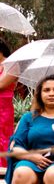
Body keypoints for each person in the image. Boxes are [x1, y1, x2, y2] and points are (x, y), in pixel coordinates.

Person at [0, 40, 18, 168]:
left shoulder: (12, 65)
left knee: (3, 138)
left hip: (3, 108)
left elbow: (1, 84)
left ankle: (3, 169)